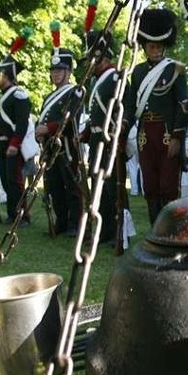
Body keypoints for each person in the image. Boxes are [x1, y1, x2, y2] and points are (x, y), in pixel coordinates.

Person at [123, 8, 188, 225]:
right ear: (144, 46)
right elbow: (132, 104)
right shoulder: (139, 72)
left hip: (166, 132)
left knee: (168, 184)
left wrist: (177, 136)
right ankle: (156, 230)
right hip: (144, 133)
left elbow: (184, 106)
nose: (156, 50)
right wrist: (124, 128)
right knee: (150, 183)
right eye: (152, 46)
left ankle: (171, 230)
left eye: (159, 46)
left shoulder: (175, 69)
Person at [35, 46, 84, 237]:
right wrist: (39, 133)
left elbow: (73, 117)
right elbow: (42, 120)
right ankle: (61, 221)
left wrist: (48, 128)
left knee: (72, 186)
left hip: (67, 146)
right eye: (53, 70)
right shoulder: (48, 96)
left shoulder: (76, 91)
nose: (56, 74)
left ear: (69, 72)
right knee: (54, 186)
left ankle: (75, 224)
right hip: (50, 147)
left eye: (60, 70)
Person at [81, 30, 122, 245]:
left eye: (91, 58)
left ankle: (118, 231)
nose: (89, 63)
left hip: (109, 140)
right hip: (97, 140)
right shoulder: (97, 81)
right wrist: (85, 133)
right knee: (99, 188)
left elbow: (120, 110)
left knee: (111, 187)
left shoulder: (115, 77)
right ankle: (105, 231)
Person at [0, 47, 32, 226]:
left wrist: (15, 144)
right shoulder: (5, 97)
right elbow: (1, 124)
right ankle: (12, 213)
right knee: (7, 181)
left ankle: (21, 215)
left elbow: (22, 123)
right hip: (3, 145)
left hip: (13, 146)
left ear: (6, 75)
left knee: (15, 181)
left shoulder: (19, 95)